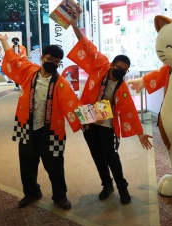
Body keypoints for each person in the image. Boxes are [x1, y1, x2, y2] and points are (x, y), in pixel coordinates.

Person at [66, 18, 153, 204]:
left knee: (110, 154)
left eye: (125, 70)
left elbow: (129, 110)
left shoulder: (122, 87)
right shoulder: (100, 66)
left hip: (106, 122)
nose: (121, 71)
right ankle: (107, 184)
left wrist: (140, 133)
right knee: (96, 155)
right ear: (112, 64)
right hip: (88, 116)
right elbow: (87, 46)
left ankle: (122, 187)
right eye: (118, 67)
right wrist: (74, 25)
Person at [0, 34, 83, 210]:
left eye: (57, 61)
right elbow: (13, 60)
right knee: (26, 164)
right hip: (26, 127)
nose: (53, 63)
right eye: (50, 59)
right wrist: (4, 41)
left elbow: (74, 106)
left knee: (55, 165)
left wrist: (94, 118)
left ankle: (60, 195)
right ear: (42, 57)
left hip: (51, 131)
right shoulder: (30, 71)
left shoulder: (61, 84)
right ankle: (31, 192)